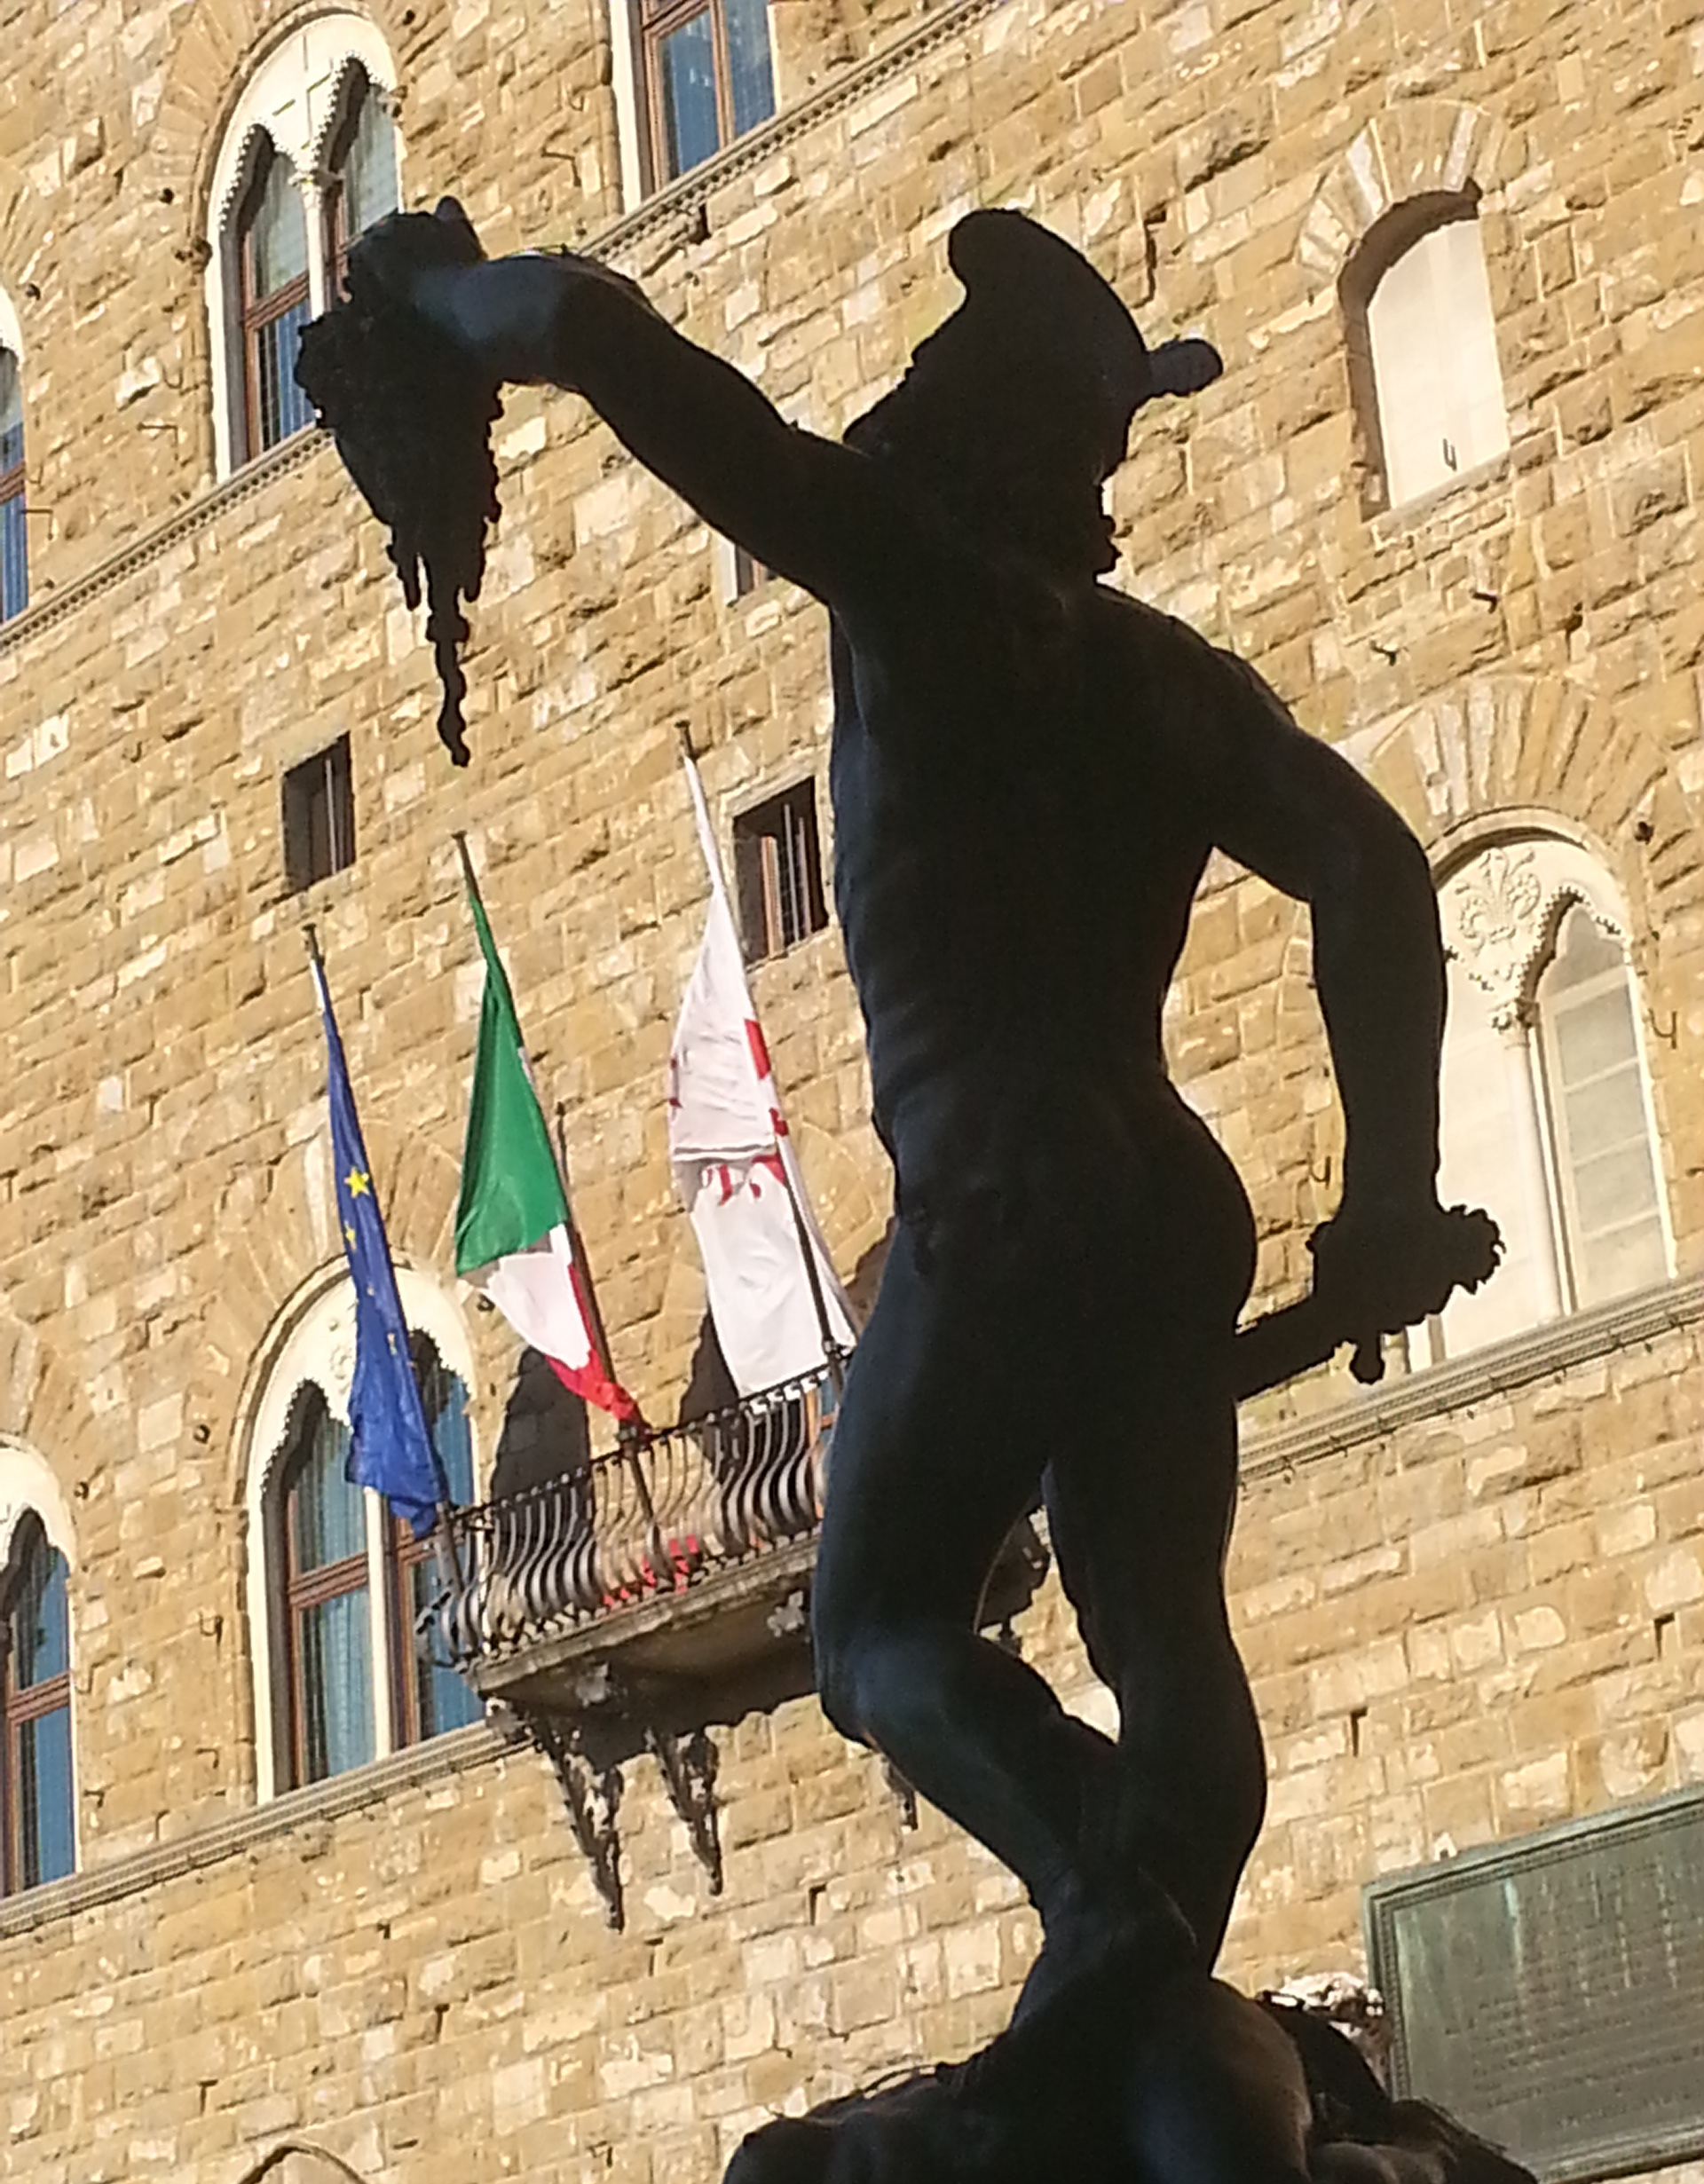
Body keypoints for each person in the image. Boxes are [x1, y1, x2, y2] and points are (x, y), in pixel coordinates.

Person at [352, 201, 1492, 1999]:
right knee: (1160, 1614)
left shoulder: (916, 580)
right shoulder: (1169, 682)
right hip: (1160, 1194)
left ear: (960, 437)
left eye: (925, 389)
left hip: (1000, 1183)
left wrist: (433, 299)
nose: (887, 409)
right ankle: (1151, 1980)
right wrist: (1386, 1200)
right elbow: (1373, 872)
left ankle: (1111, 1913)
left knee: (874, 1629)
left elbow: (622, 349)